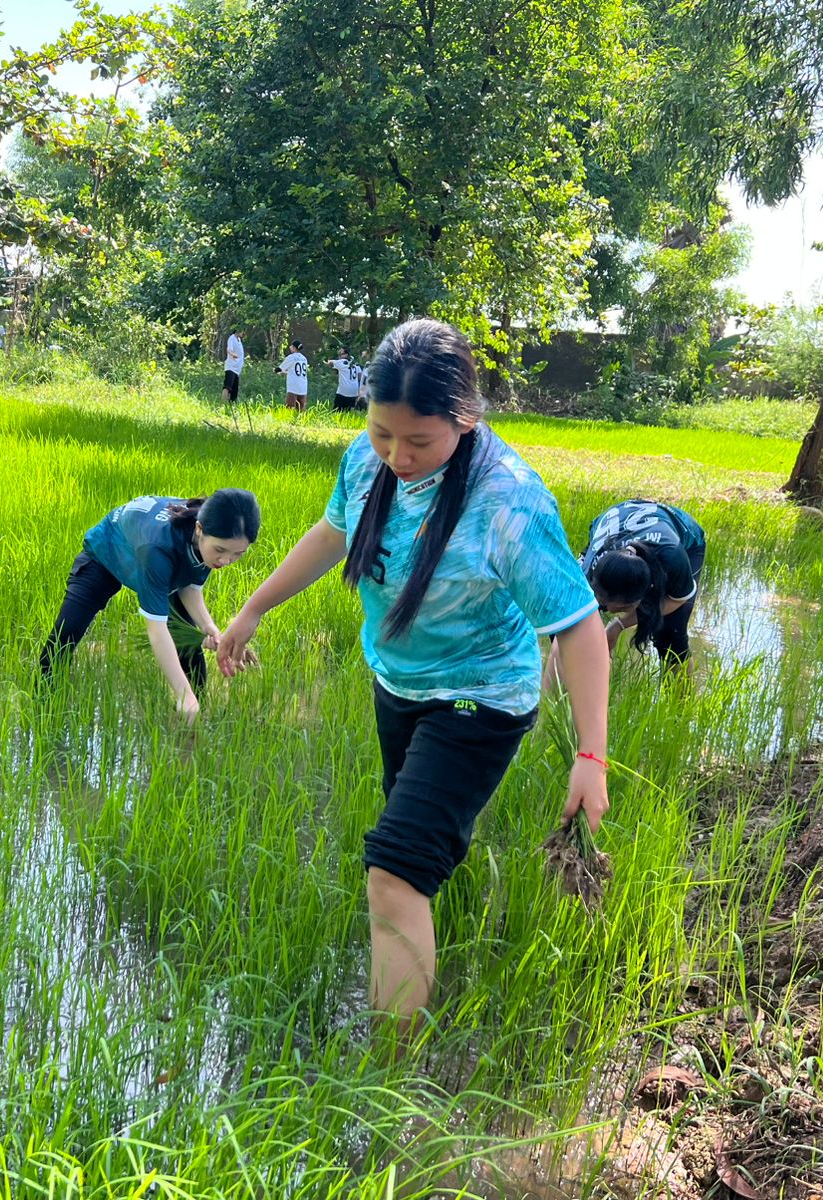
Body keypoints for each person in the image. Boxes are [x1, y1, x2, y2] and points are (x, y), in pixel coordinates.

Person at [217, 318, 609, 1033]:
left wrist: (590, 754)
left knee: (393, 872)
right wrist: (252, 609)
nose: (396, 455)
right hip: (397, 684)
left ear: (465, 419)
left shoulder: (509, 501)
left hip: (480, 699)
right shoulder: (365, 464)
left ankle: (389, 1077)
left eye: (419, 442)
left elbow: (579, 626)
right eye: (381, 433)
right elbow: (332, 534)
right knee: (417, 854)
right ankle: (427, 970)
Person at [40, 489, 262, 722]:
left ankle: (194, 716)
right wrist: (182, 693)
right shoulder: (158, 548)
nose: (226, 561)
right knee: (65, 635)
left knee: (187, 644)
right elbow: (157, 630)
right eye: (220, 551)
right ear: (199, 530)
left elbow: (189, 585)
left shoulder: (212, 535)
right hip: (106, 554)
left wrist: (210, 628)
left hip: (156, 555)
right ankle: (43, 708)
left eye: (238, 554)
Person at [569, 499, 707, 667]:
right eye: (604, 603)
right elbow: (564, 630)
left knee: (670, 636)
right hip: (616, 518)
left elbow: (678, 599)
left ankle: (681, 693)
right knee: (577, 627)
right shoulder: (586, 572)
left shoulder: (672, 556)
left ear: (647, 591)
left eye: (623, 608)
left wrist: (619, 625)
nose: (610, 611)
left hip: (683, 534)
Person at [328, 346, 366, 411]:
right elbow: (361, 378)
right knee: (349, 412)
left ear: (346, 355)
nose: (339, 356)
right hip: (354, 392)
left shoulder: (340, 362)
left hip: (343, 392)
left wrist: (328, 362)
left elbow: (329, 362)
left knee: (336, 412)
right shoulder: (356, 364)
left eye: (341, 354)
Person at [276, 340, 309, 412]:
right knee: (301, 410)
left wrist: (275, 371)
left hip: (293, 386)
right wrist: (285, 372)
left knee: (289, 408)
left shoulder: (291, 357)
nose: (290, 347)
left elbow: (279, 368)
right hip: (303, 386)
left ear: (294, 348)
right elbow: (296, 371)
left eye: (291, 346)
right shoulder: (304, 358)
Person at [222, 329, 245, 403]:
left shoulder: (238, 339)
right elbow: (229, 349)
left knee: (234, 391)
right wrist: (232, 354)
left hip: (237, 370)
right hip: (231, 368)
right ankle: (223, 403)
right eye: (242, 330)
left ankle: (232, 406)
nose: (243, 333)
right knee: (227, 387)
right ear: (237, 330)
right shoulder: (231, 338)